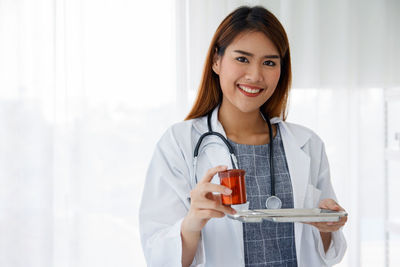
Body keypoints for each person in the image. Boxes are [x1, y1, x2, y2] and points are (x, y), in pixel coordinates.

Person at [139, 6, 347, 267]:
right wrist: (191, 223)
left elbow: (328, 252)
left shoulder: (307, 144)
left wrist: (327, 226)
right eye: (242, 59)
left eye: (269, 62)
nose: (255, 76)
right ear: (217, 61)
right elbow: (157, 254)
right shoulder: (179, 143)